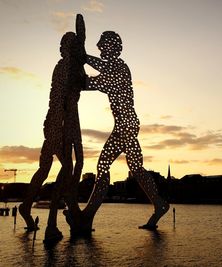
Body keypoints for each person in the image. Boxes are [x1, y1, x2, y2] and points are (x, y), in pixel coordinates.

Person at [76, 31, 169, 231]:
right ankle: (159, 204)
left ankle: (88, 216)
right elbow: (92, 80)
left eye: (102, 45)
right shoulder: (113, 69)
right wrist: (82, 61)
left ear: (112, 47)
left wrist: (81, 57)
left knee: (103, 167)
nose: (100, 48)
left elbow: (91, 82)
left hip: (125, 125)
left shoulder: (119, 68)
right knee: (136, 168)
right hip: (126, 124)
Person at [19, 16, 86, 242]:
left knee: (46, 167)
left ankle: (27, 207)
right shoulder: (67, 67)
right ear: (68, 49)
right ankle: (51, 224)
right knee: (67, 167)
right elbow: (66, 98)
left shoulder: (65, 66)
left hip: (57, 122)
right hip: (60, 123)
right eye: (73, 46)